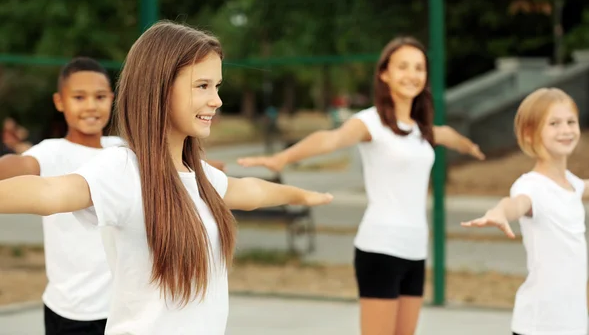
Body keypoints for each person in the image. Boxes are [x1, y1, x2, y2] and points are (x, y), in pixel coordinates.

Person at [0, 21, 332, 335]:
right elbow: (48, 194)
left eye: (216, 86)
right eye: (202, 85)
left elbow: (249, 191)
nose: (216, 100)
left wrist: (300, 195)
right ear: (159, 89)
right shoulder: (122, 168)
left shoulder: (197, 175)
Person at [238, 36, 485, 335]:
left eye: (419, 68)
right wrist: (282, 158)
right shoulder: (370, 122)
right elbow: (330, 139)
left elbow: (448, 134)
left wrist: (470, 146)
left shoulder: (424, 130)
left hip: (415, 250)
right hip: (380, 247)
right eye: (403, 66)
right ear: (384, 74)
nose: (412, 74)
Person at [461, 88, 589, 335]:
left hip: (573, 324)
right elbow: (516, 203)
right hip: (539, 325)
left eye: (571, 122)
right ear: (529, 133)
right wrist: (499, 212)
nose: (566, 130)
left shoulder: (571, 183)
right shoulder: (531, 186)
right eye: (554, 123)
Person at [0, 57, 121, 335]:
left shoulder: (122, 149)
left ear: (111, 99)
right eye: (79, 97)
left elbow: (175, 168)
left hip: (121, 308)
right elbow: (18, 166)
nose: (91, 105)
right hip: (71, 311)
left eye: (100, 96)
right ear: (60, 102)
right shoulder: (51, 151)